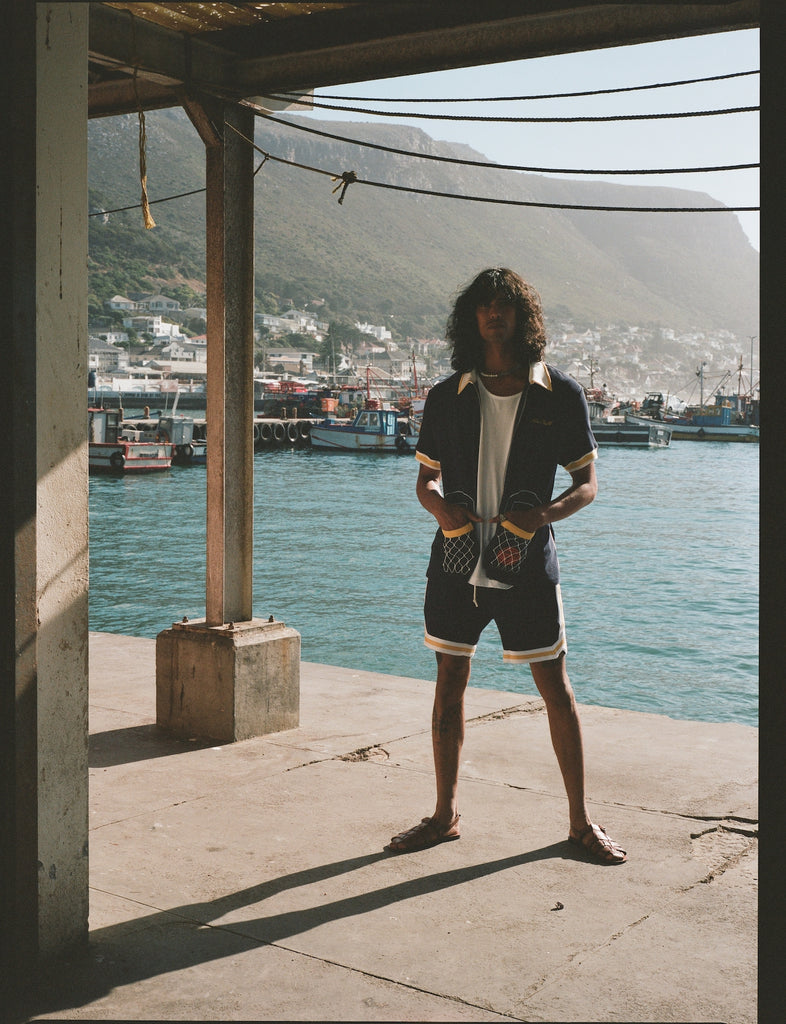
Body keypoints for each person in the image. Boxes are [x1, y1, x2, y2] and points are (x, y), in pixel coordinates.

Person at [386, 267, 626, 864]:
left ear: (523, 318)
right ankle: (444, 816)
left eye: (505, 305)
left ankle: (579, 823)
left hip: (526, 564)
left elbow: (588, 484)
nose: (495, 314)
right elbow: (425, 481)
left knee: (556, 691)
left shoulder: (559, 394)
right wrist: (444, 515)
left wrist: (541, 517)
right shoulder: (447, 396)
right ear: (472, 317)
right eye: (484, 306)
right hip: (456, 562)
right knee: (448, 687)